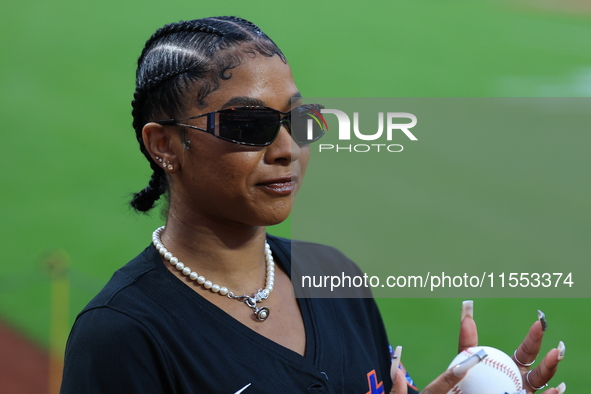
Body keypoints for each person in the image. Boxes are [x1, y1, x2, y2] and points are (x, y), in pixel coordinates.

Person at [60, 16, 565, 394]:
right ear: (165, 145)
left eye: (300, 119)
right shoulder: (123, 334)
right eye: (248, 126)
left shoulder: (333, 274)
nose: (287, 149)